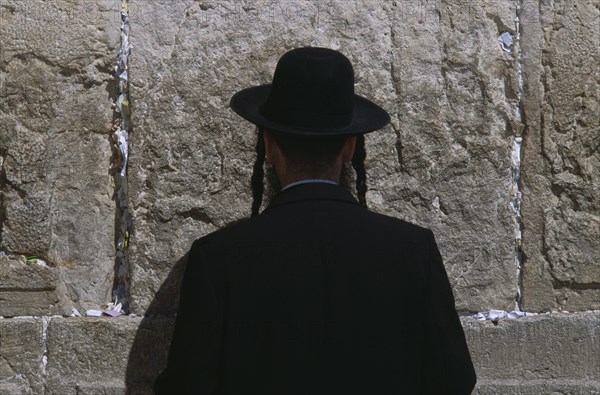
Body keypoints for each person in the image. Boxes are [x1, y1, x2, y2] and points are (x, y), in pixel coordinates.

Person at [154, 47, 476, 394]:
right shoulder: (414, 250)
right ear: (351, 147)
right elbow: (453, 380)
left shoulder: (216, 258)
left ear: (269, 144)